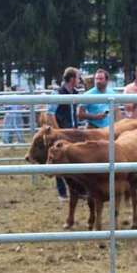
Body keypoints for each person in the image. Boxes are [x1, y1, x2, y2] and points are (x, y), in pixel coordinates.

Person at [50, 67, 80, 200]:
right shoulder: (58, 94)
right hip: (62, 131)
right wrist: (58, 131)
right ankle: (62, 193)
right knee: (59, 161)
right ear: (72, 79)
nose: (79, 80)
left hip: (73, 132)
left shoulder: (75, 93)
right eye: (78, 77)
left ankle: (77, 190)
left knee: (75, 160)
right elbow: (50, 115)